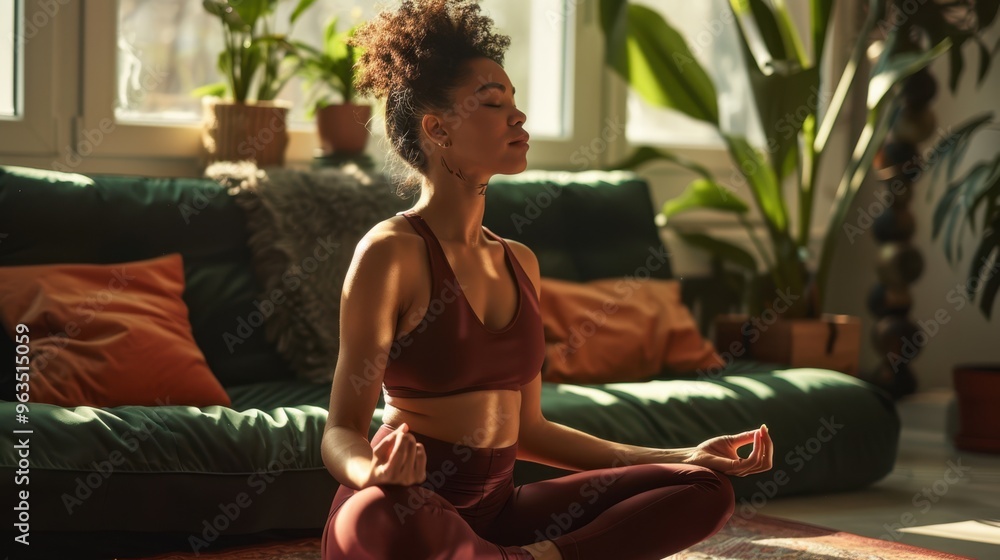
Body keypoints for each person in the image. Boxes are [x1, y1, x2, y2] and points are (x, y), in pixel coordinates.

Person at [320, 1, 774, 558]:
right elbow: (340, 431)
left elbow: (530, 431)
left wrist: (683, 455)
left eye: (515, 101)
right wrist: (375, 473)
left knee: (703, 490)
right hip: (408, 505)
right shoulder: (391, 253)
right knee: (379, 523)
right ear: (436, 129)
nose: (520, 118)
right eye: (493, 103)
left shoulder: (520, 262)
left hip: (498, 512)